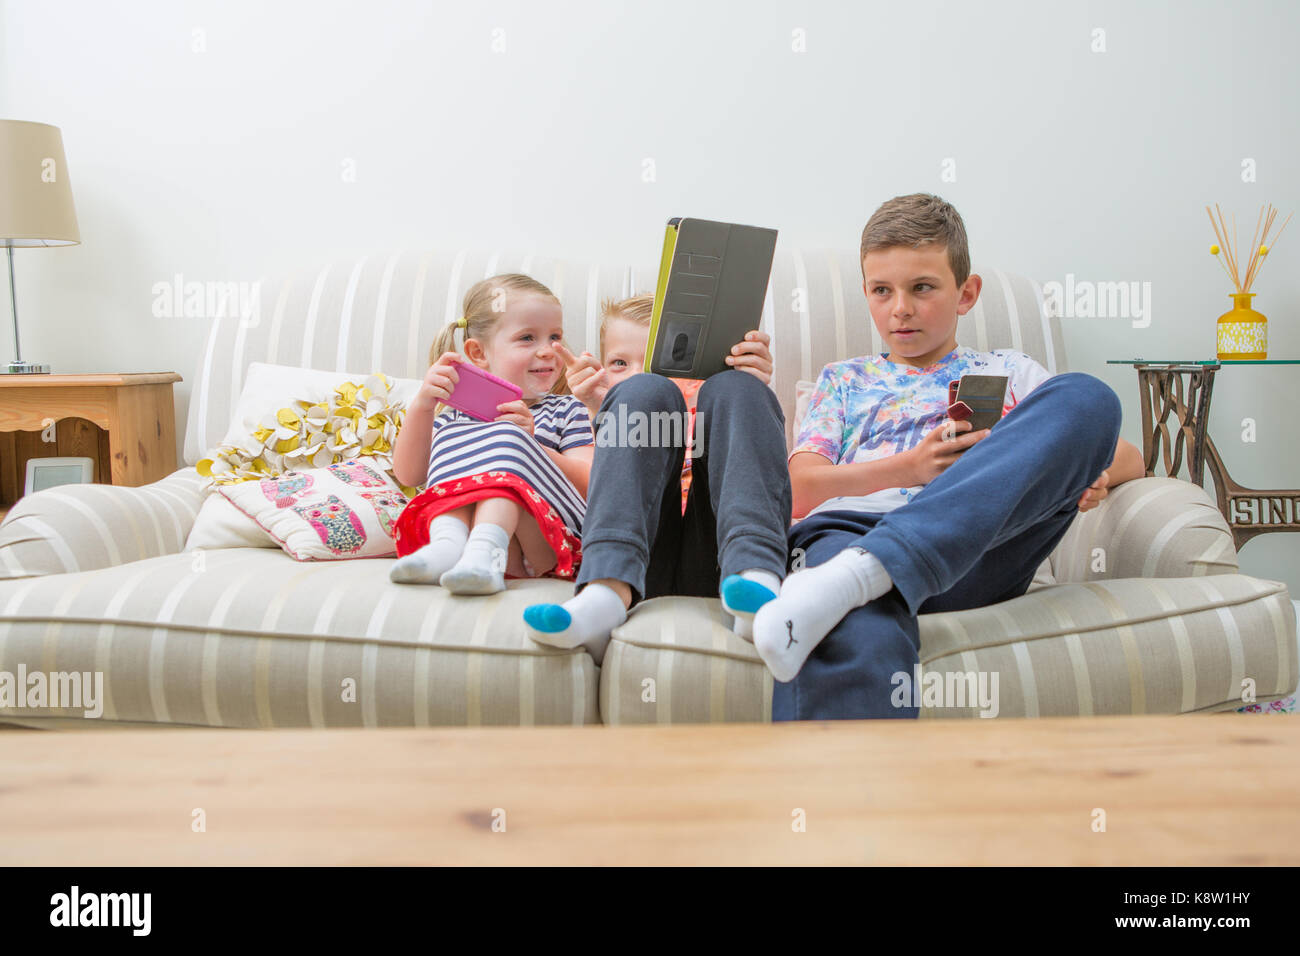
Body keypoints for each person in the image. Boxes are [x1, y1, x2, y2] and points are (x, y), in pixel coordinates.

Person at [752, 192, 1147, 719]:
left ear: (966, 293)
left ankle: (864, 575)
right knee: (855, 624)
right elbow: (801, 487)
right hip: (848, 534)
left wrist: (1076, 469)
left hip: (977, 550)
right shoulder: (843, 379)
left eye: (922, 288)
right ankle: (863, 580)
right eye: (881, 290)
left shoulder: (1011, 370)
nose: (901, 309)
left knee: (1090, 397)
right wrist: (910, 468)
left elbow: (1129, 458)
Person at [521, 293, 791, 664]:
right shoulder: (588, 415)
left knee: (736, 388)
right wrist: (606, 411)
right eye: (619, 362)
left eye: (660, 364)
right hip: (641, 569)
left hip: (720, 559)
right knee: (643, 393)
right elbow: (599, 483)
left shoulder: (720, 400)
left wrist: (751, 389)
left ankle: (757, 583)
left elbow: (760, 472)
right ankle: (604, 595)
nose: (634, 372)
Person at [388, 273, 594, 595]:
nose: (548, 350)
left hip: (549, 546)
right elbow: (409, 474)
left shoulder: (569, 409)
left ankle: (483, 549)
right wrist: (424, 407)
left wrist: (531, 446)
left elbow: (592, 482)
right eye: (528, 338)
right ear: (479, 353)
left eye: (555, 336)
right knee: (459, 433)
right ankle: (449, 546)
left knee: (503, 443)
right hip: (479, 556)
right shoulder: (454, 419)